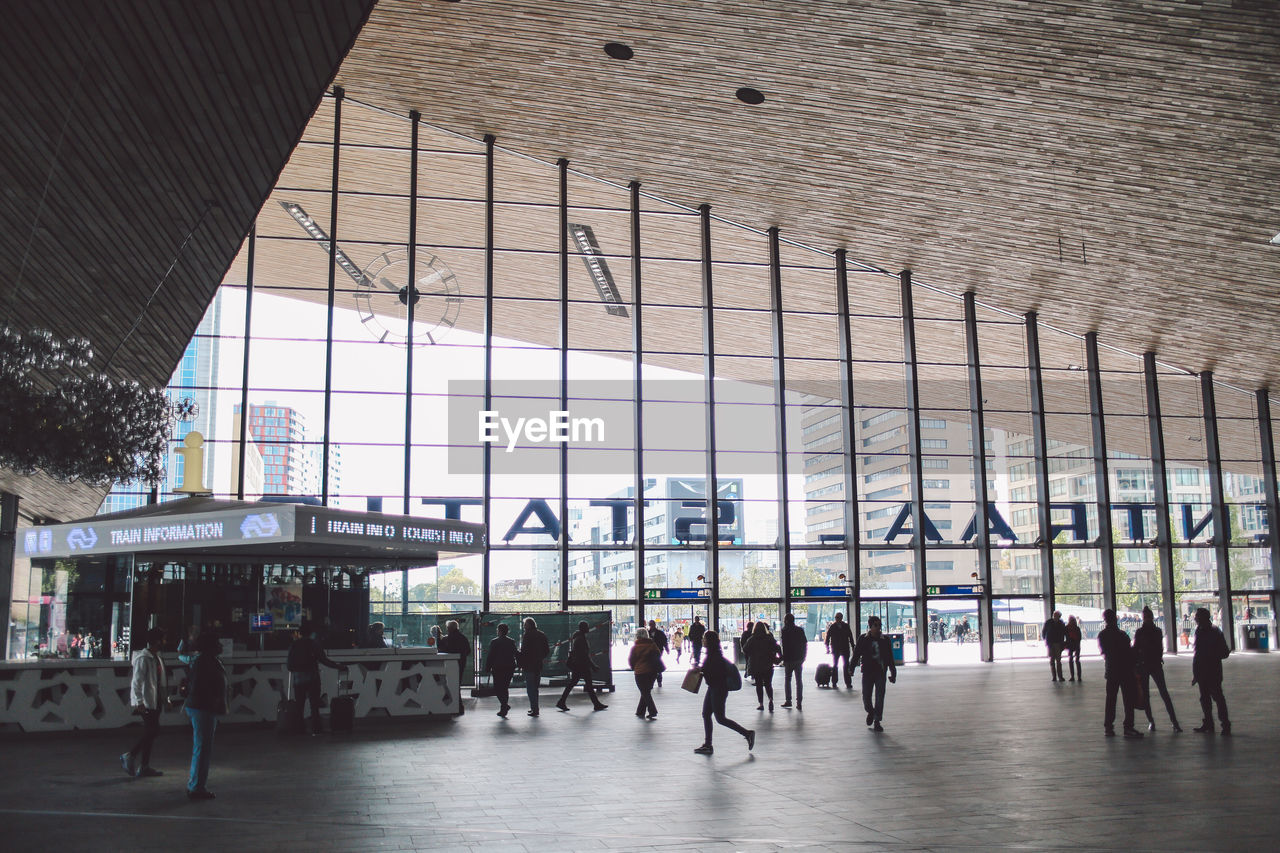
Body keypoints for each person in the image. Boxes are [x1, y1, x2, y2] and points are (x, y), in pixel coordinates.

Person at [693, 631, 755, 754]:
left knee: (720, 718)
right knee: (706, 714)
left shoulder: (713, 656)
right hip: (714, 688)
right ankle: (708, 744)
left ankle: (747, 733)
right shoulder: (714, 654)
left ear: (708, 641)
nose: (702, 640)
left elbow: (714, 672)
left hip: (717, 689)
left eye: (704, 638)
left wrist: (702, 670)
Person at [183, 632, 227, 800]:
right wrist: (214, 702)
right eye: (217, 642)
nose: (220, 646)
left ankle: (196, 784)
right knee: (202, 748)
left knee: (201, 746)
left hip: (200, 706)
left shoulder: (201, 660)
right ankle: (196, 787)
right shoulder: (206, 662)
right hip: (203, 708)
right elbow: (206, 686)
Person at [120, 627, 166, 778]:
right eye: (163, 639)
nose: (165, 641)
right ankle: (131, 756)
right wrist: (139, 701)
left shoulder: (156, 658)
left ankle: (143, 765)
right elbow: (136, 682)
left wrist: (165, 699)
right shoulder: (144, 659)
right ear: (157, 641)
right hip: (147, 701)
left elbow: (160, 681)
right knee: (153, 730)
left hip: (154, 700)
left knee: (151, 732)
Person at [287, 622, 346, 734]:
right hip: (312, 678)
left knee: (299, 705)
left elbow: (289, 665)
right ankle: (317, 728)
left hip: (298, 679)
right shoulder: (314, 644)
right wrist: (339, 667)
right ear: (311, 633)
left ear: (300, 633)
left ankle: (299, 729)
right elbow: (324, 660)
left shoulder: (294, 645)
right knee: (314, 705)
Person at [1133, 606, 1181, 732]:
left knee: (1149, 695)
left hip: (1145, 665)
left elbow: (1136, 649)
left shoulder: (1140, 632)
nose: (1147, 619)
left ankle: (1152, 722)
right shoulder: (1157, 631)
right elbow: (1159, 648)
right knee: (1163, 693)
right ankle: (1173, 722)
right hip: (1154, 665)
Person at [1097, 609, 1142, 738]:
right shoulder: (1122, 635)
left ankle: (1108, 727)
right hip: (1125, 671)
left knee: (1111, 699)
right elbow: (1130, 653)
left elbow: (1105, 653)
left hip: (1112, 671)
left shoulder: (1102, 635)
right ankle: (1128, 727)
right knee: (1128, 700)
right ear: (1115, 619)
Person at [851, 615, 897, 731]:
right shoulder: (863, 638)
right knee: (866, 697)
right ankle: (870, 711)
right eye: (876, 625)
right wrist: (851, 668)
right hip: (867, 672)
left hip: (881, 672)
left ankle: (877, 720)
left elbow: (890, 657)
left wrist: (893, 672)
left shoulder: (885, 640)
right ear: (870, 626)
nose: (878, 628)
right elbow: (856, 654)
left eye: (880, 625)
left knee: (880, 697)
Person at [1191, 607, 1231, 735]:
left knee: (1217, 698)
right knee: (1205, 699)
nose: (1195, 618)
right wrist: (1196, 674)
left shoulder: (1214, 632)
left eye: (1197, 616)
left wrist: (1211, 656)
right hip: (1202, 672)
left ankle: (1225, 725)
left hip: (1212, 672)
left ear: (1203, 618)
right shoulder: (1199, 631)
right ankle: (1209, 723)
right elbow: (1197, 653)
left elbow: (1225, 652)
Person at [556, 621, 608, 711]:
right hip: (582, 665)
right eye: (586, 627)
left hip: (578, 665)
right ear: (583, 628)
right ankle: (596, 704)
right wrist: (593, 666)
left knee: (574, 684)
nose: (588, 628)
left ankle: (562, 702)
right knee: (588, 685)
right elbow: (584, 655)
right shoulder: (581, 639)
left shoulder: (578, 638)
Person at [743, 620, 781, 712]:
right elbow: (778, 648)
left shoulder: (752, 639)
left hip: (756, 665)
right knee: (768, 684)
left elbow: (745, 649)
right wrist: (779, 658)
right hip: (768, 664)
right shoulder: (769, 638)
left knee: (759, 685)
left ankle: (761, 704)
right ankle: (771, 699)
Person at [437, 620, 472, 715]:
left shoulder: (448, 639)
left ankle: (454, 706)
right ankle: (459, 707)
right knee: (457, 684)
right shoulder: (463, 638)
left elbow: (443, 649)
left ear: (449, 628)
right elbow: (468, 650)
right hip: (461, 663)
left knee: (450, 685)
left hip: (449, 665)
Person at [485, 623, 519, 717]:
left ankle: (504, 705)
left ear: (499, 631)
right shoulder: (511, 641)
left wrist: (487, 667)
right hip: (509, 667)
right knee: (505, 687)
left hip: (498, 667)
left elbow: (491, 656)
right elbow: (515, 653)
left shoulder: (494, 642)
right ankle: (504, 707)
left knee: (498, 688)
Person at [519, 617, 551, 717]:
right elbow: (547, 650)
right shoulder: (542, 634)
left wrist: (521, 662)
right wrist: (540, 657)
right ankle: (535, 708)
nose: (524, 627)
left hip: (529, 665)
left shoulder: (527, 635)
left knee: (530, 687)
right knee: (535, 687)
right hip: (538, 664)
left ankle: (534, 708)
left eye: (525, 625)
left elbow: (524, 651)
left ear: (528, 625)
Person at [629, 627, 661, 719]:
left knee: (645, 692)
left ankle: (653, 711)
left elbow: (631, 660)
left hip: (640, 672)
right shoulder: (652, 645)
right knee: (646, 691)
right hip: (652, 672)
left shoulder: (635, 647)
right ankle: (640, 711)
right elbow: (658, 655)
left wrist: (634, 667)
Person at [779, 612, 806, 710]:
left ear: (786, 621)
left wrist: (782, 658)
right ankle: (799, 702)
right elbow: (804, 644)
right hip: (798, 658)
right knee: (799, 680)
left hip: (789, 659)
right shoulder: (800, 630)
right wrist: (803, 657)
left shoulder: (785, 631)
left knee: (788, 680)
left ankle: (788, 700)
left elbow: (785, 647)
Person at [825, 612, 854, 689]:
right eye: (836, 618)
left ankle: (848, 683)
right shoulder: (833, 627)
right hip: (836, 648)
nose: (837, 619)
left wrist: (853, 646)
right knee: (835, 666)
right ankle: (834, 682)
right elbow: (827, 637)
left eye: (838, 617)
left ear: (841, 618)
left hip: (843, 648)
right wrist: (827, 647)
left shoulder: (845, 626)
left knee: (846, 665)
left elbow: (850, 636)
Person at [1041, 610, 1067, 682]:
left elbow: (1064, 632)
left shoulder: (1061, 623)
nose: (1055, 617)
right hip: (1050, 644)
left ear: (1059, 617)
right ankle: (1054, 677)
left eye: (1057, 616)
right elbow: (1044, 632)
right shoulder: (1048, 622)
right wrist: (1045, 640)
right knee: (1052, 661)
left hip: (1058, 643)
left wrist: (1063, 643)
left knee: (1058, 661)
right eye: (1054, 615)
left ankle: (1060, 676)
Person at [647, 619, 669, 686]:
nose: (651, 626)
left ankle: (659, 680)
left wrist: (667, 648)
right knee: (653, 666)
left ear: (655, 625)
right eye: (650, 624)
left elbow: (664, 641)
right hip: (650, 652)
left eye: (652, 624)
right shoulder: (647, 633)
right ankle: (653, 681)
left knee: (657, 665)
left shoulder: (660, 633)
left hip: (659, 651)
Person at [1064, 615, 1083, 682]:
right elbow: (1080, 638)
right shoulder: (1076, 628)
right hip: (1076, 645)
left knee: (1071, 661)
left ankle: (1073, 677)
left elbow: (1064, 636)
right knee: (1077, 661)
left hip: (1071, 645)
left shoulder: (1067, 628)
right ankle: (1079, 677)